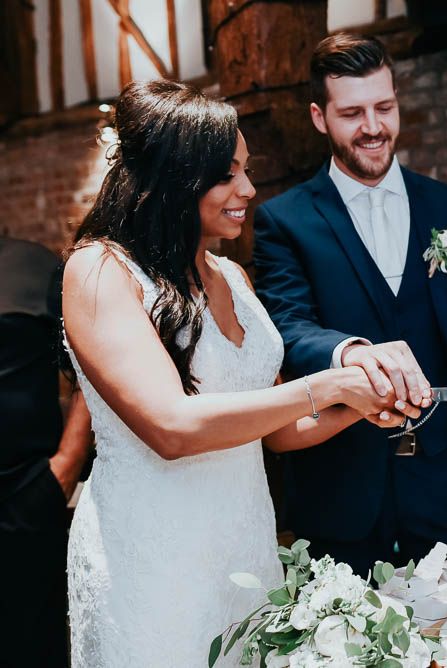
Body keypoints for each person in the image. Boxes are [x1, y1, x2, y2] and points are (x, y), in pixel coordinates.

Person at [62, 79, 420, 667]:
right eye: (228, 174)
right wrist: (326, 384)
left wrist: (360, 403)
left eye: (246, 171)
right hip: (153, 563)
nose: (248, 190)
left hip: (243, 550)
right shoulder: (101, 271)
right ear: (175, 177)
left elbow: (275, 429)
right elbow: (172, 427)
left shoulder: (233, 279)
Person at [254, 33, 447, 576]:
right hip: (341, 492)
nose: (373, 127)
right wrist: (349, 352)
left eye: (384, 107)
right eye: (352, 113)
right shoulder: (285, 221)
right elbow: (286, 326)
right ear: (318, 116)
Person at [0, 237, 93, 668]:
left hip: (25, 493)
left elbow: (86, 368)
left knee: (31, 646)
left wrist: (65, 466)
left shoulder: (32, 265)